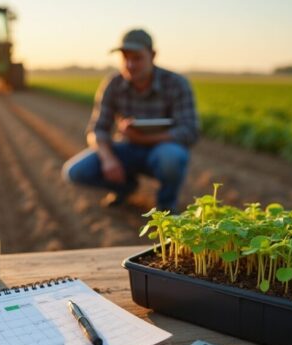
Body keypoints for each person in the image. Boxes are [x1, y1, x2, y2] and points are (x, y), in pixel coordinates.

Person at [62, 28, 199, 212]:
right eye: (125, 58)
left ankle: (166, 208)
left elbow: (189, 131)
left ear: (152, 55)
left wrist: (142, 139)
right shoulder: (113, 84)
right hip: (127, 149)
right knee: (75, 172)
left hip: (162, 149)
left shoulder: (176, 83)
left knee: (172, 157)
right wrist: (109, 159)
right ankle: (125, 188)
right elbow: (98, 130)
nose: (130, 64)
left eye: (137, 58)